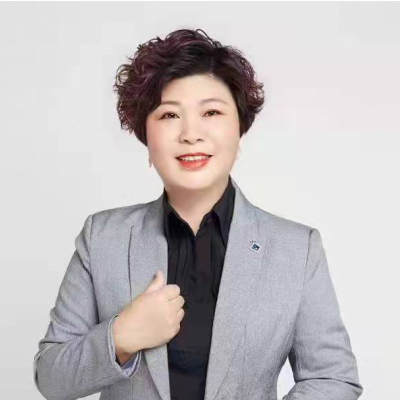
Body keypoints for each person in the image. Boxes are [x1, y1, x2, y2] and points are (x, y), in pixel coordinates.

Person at [33, 28, 363, 400]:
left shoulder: (296, 249)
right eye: (169, 114)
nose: (191, 133)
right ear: (146, 136)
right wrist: (122, 336)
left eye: (211, 112)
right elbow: (51, 377)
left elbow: (333, 378)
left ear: (239, 127)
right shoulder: (103, 237)